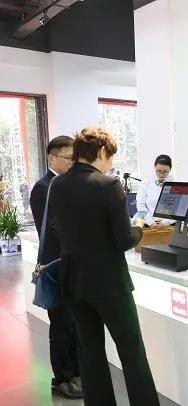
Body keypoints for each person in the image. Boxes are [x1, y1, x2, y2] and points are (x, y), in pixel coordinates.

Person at [49, 127, 159, 406]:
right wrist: (139, 227)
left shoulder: (57, 185)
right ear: (100, 152)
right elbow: (124, 240)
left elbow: (60, 230)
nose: (111, 163)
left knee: (90, 353)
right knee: (132, 352)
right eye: (110, 156)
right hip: (110, 284)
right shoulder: (109, 186)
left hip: (74, 282)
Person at [29, 135, 83, 399]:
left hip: (73, 264)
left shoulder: (68, 184)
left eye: (75, 158)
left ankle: (75, 373)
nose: (72, 162)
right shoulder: (43, 188)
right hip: (56, 265)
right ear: (52, 157)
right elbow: (51, 229)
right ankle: (62, 378)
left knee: (74, 323)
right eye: (68, 157)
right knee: (61, 324)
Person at [134, 154, 174, 226]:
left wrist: (166, 222)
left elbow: (177, 208)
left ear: (170, 169)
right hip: (148, 222)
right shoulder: (146, 182)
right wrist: (151, 223)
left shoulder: (174, 182)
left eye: (165, 172)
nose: (161, 174)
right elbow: (141, 205)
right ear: (154, 167)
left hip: (169, 223)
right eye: (159, 171)